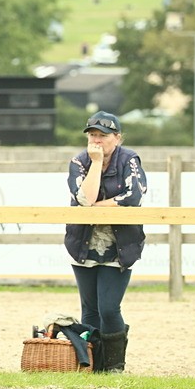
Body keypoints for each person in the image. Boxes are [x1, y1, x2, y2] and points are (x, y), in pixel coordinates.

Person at [63, 111, 147, 372]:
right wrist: (96, 164)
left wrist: (98, 206)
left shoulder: (129, 160)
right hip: (84, 243)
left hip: (119, 245)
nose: (96, 141)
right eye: (92, 135)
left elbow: (133, 196)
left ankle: (114, 366)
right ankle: (94, 366)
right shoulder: (79, 162)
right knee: (89, 310)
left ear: (117, 138)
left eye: (103, 135)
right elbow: (83, 199)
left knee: (109, 308)